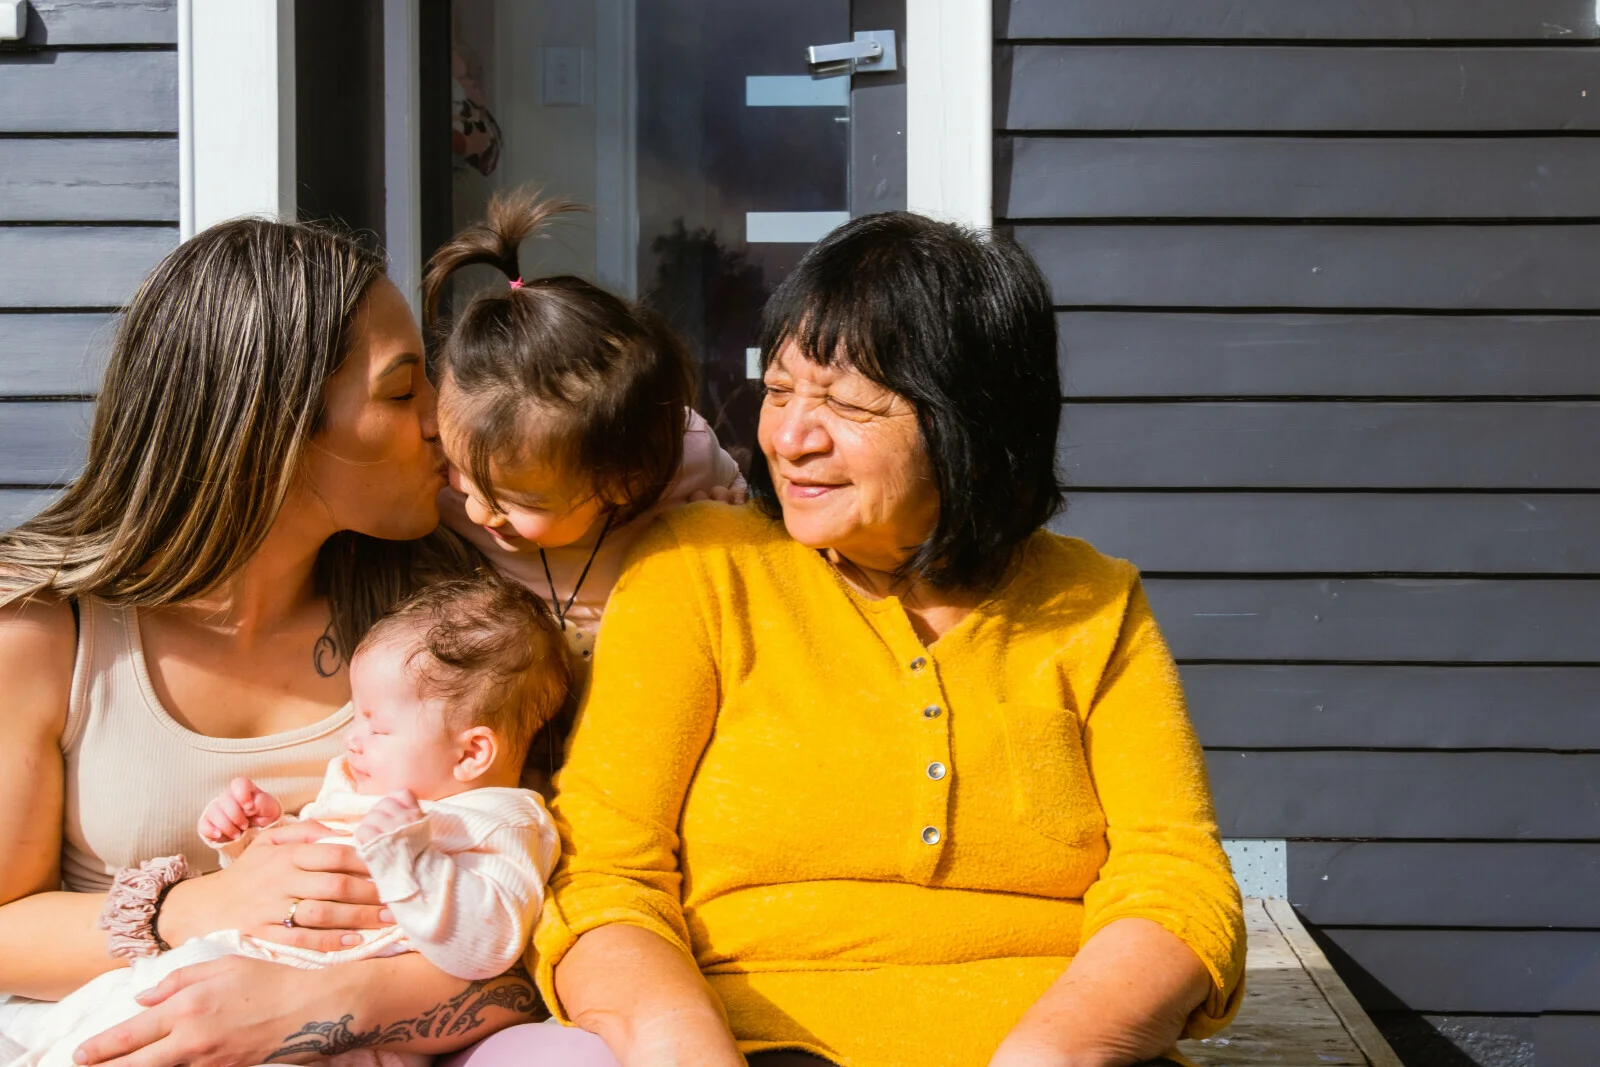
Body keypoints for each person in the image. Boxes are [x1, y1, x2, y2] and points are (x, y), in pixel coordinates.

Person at [457, 212, 1247, 1067]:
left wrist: (1052, 1053)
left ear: (967, 422)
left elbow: (1176, 879)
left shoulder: (1092, 603)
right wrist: (686, 1051)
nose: (791, 437)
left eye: (843, 402)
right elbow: (608, 875)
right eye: (783, 390)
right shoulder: (699, 571)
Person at [0, 220, 544, 1067]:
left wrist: (326, 1005)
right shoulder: (47, 630)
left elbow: (531, 923)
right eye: (403, 394)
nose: (441, 419)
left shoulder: (441, 620)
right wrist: (197, 908)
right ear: (275, 426)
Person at [2, 574, 569, 1067]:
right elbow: (289, 875)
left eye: (377, 725)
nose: (352, 737)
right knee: (92, 1030)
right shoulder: (359, 783)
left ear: (472, 754)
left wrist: (408, 858)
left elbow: (489, 945)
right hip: (224, 962)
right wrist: (253, 836)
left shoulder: (499, 822)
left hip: (332, 1034)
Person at [421, 190, 744, 699]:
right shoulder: (444, 501)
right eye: (459, 468)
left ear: (622, 482)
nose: (479, 511)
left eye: (516, 500)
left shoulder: (690, 459)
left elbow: (743, 515)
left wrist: (730, 515)